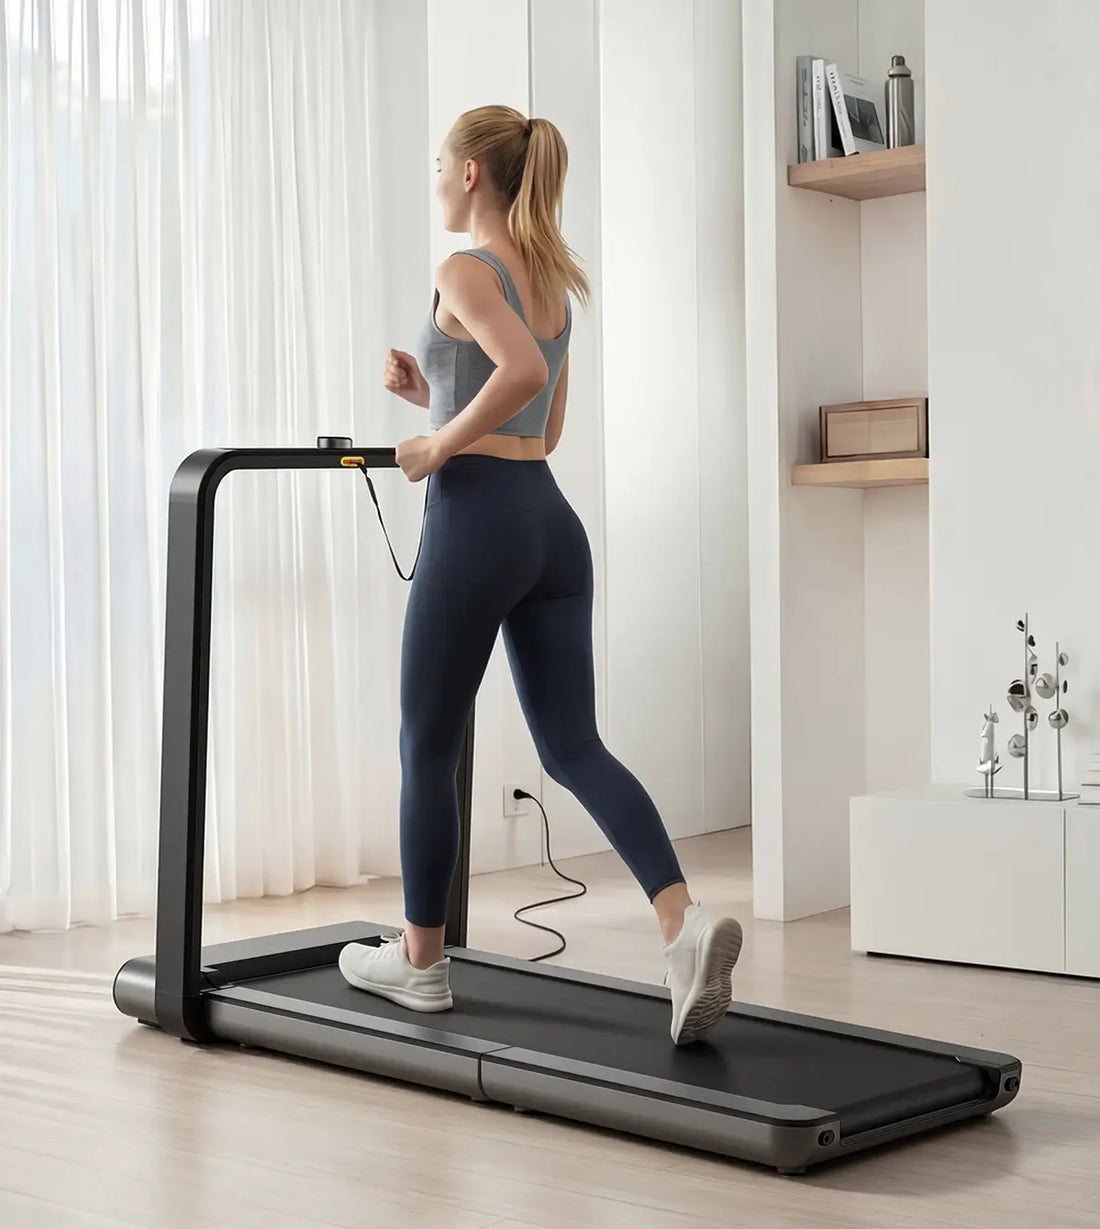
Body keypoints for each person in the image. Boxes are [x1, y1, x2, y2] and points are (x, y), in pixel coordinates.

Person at [337, 105, 742, 1045]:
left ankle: (421, 963)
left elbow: (514, 373)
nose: (435, 176)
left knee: (426, 746)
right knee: (572, 747)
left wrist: (435, 440)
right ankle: (682, 925)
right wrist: (427, 389)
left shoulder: (465, 268)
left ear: (473, 173)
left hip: (480, 523)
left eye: (441, 161)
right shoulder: (554, 277)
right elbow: (542, 424)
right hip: (550, 526)